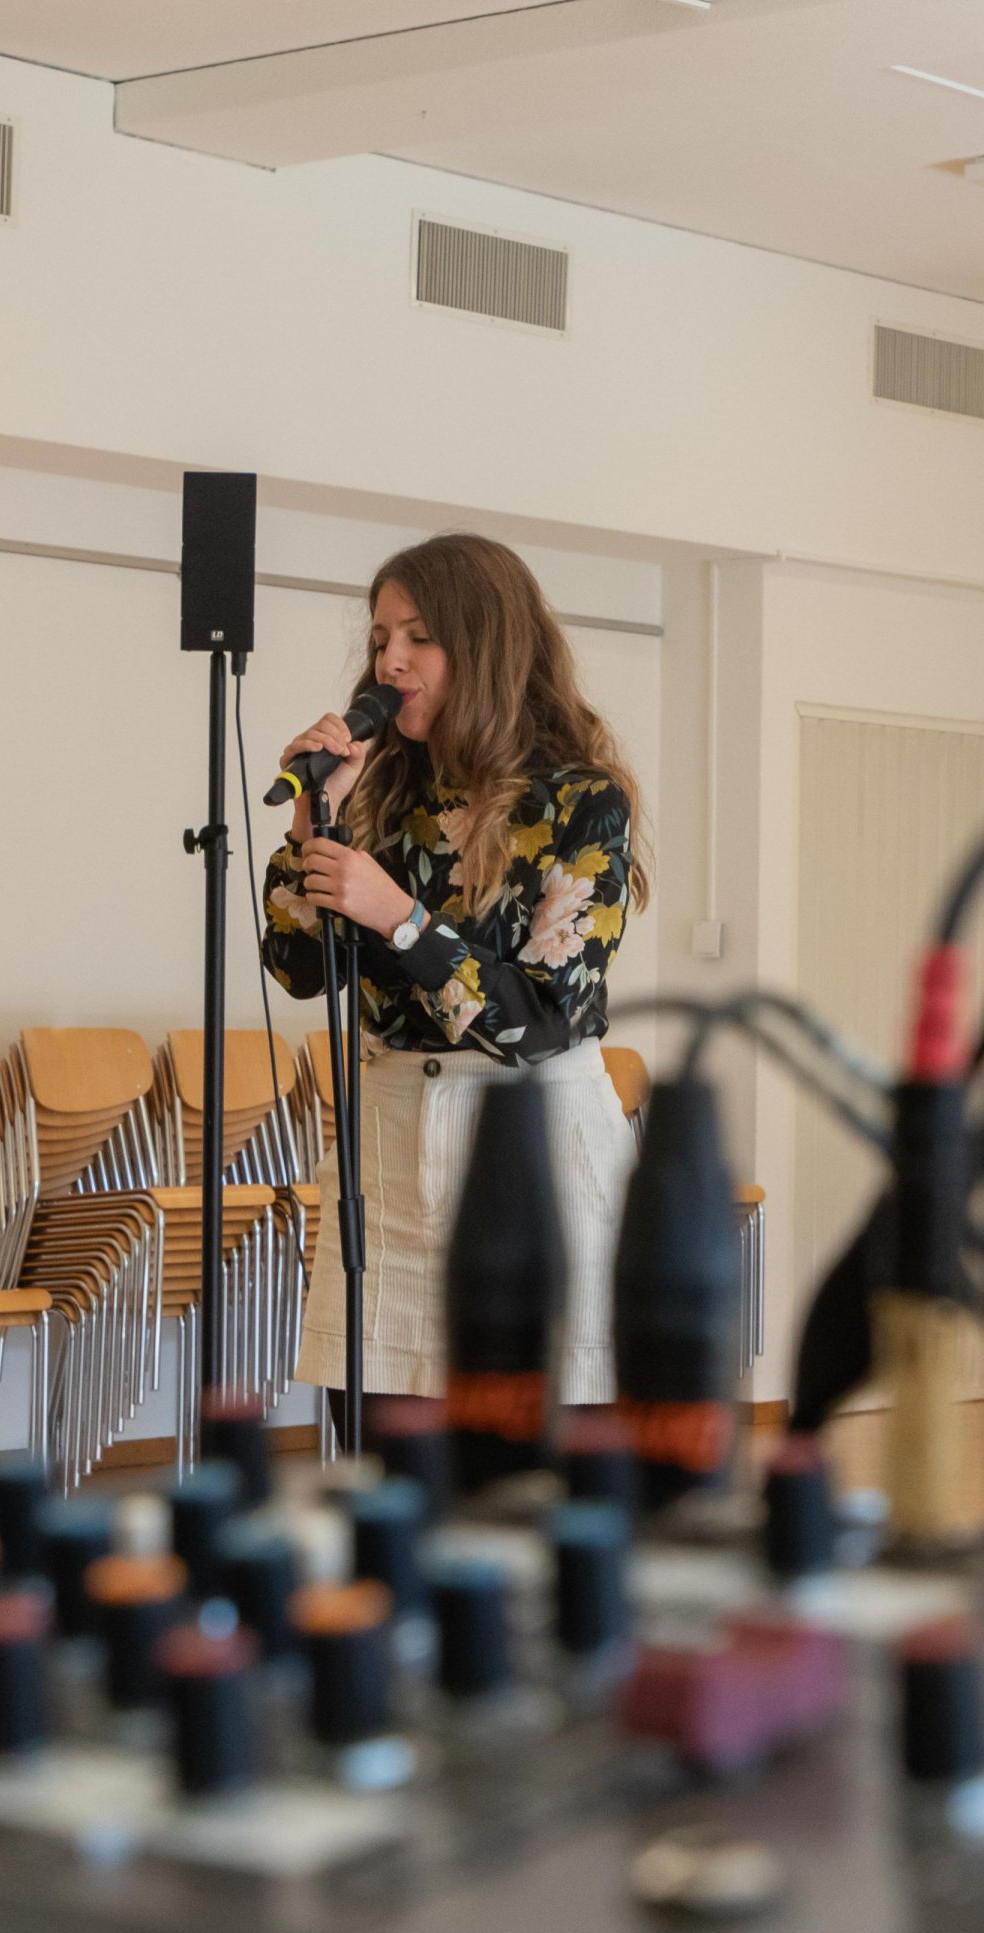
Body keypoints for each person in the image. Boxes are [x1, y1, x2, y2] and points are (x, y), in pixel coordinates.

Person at [261, 532, 648, 1402]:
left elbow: (540, 1021)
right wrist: (314, 821)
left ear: (484, 647)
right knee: (376, 1435)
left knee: (524, 1452)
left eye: (419, 637)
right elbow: (296, 965)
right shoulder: (379, 792)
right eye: (379, 639)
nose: (389, 661)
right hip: (390, 1141)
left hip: (534, 1139)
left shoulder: (582, 802)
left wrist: (401, 919)